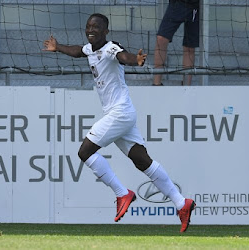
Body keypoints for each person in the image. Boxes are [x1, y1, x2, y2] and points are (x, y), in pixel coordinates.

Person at [43, 13, 195, 232]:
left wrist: (137, 60)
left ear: (105, 31)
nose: (90, 30)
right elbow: (78, 51)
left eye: (96, 27)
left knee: (85, 152)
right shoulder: (90, 49)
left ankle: (122, 193)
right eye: (88, 26)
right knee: (142, 161)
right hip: (123, 113)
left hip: (119, 113)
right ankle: (182, 203)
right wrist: (58, 47)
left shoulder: (110, 48)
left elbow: (124, 56)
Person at [154, 0, 200, 86]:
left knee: (189, 47)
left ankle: (186, 85)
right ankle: (156, 84)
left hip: (196, 6)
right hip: (177, 3)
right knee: (161, 39)